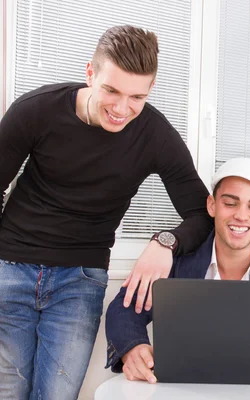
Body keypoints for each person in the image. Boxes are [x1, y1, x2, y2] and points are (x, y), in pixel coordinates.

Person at [0, 25, 213, 399]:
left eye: (137, 97)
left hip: (78, 282)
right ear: (90, 73)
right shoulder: (36, 110)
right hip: (10, 269)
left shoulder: (155, 134)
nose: (121, 108)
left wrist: (165, 242)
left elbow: (201, 213)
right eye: (111, 90)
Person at [104, 157, 250, 383]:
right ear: (211, 205)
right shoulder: (176, 262)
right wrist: (133, 347)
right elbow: (123, 308)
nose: (241, 215)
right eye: (230, 203)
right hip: (188, 388)